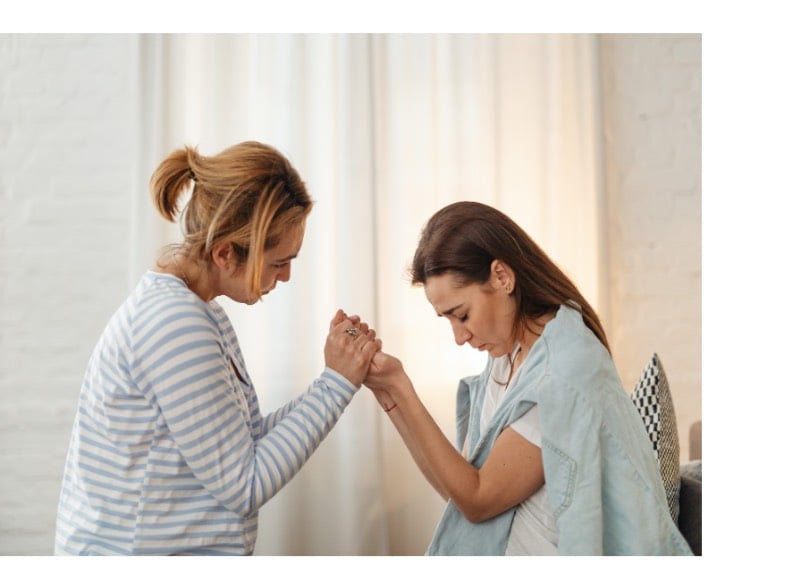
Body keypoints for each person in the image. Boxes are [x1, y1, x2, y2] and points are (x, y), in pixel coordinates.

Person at [54, 141, 380, 555]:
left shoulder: (199, 313)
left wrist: (337, 374)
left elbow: (244, 442)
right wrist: (336, 383)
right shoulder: (175, 324)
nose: (286, 276)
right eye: (279, 262)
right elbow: (244, 484)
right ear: (225, 253)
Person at [364, 201, 692, 555]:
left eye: (461, 315)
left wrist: (401, 389)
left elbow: (478, 498)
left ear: (502, 277)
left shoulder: (562, 372)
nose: (460, 337)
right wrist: (390, 395)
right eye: (448, 320)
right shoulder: (507, 357)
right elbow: (457, 495)